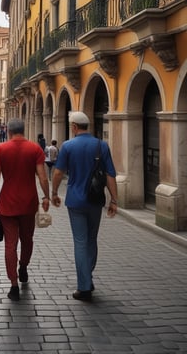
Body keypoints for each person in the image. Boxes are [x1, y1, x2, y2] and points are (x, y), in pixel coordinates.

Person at [51, 111, 118, 301]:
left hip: (75, 200)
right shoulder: (101, 145)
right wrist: (114, 200)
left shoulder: (68, 146)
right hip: (95, 201)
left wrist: (54, 193)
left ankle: (84, 285)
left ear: (73, 126)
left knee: (80, 242)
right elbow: (110, 175)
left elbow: (57, 173)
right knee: (91, 240)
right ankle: (87, 277)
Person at [0, 118, 50, 301]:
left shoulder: (1, 149)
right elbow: (42, 176)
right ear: (23, 130)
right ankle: (23, 266)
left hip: (7, 203)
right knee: (27, 239)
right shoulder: (35, 149)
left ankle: (13, 284)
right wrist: (46, 196)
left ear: (8, 131)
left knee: (10, 244)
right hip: (29, 202)